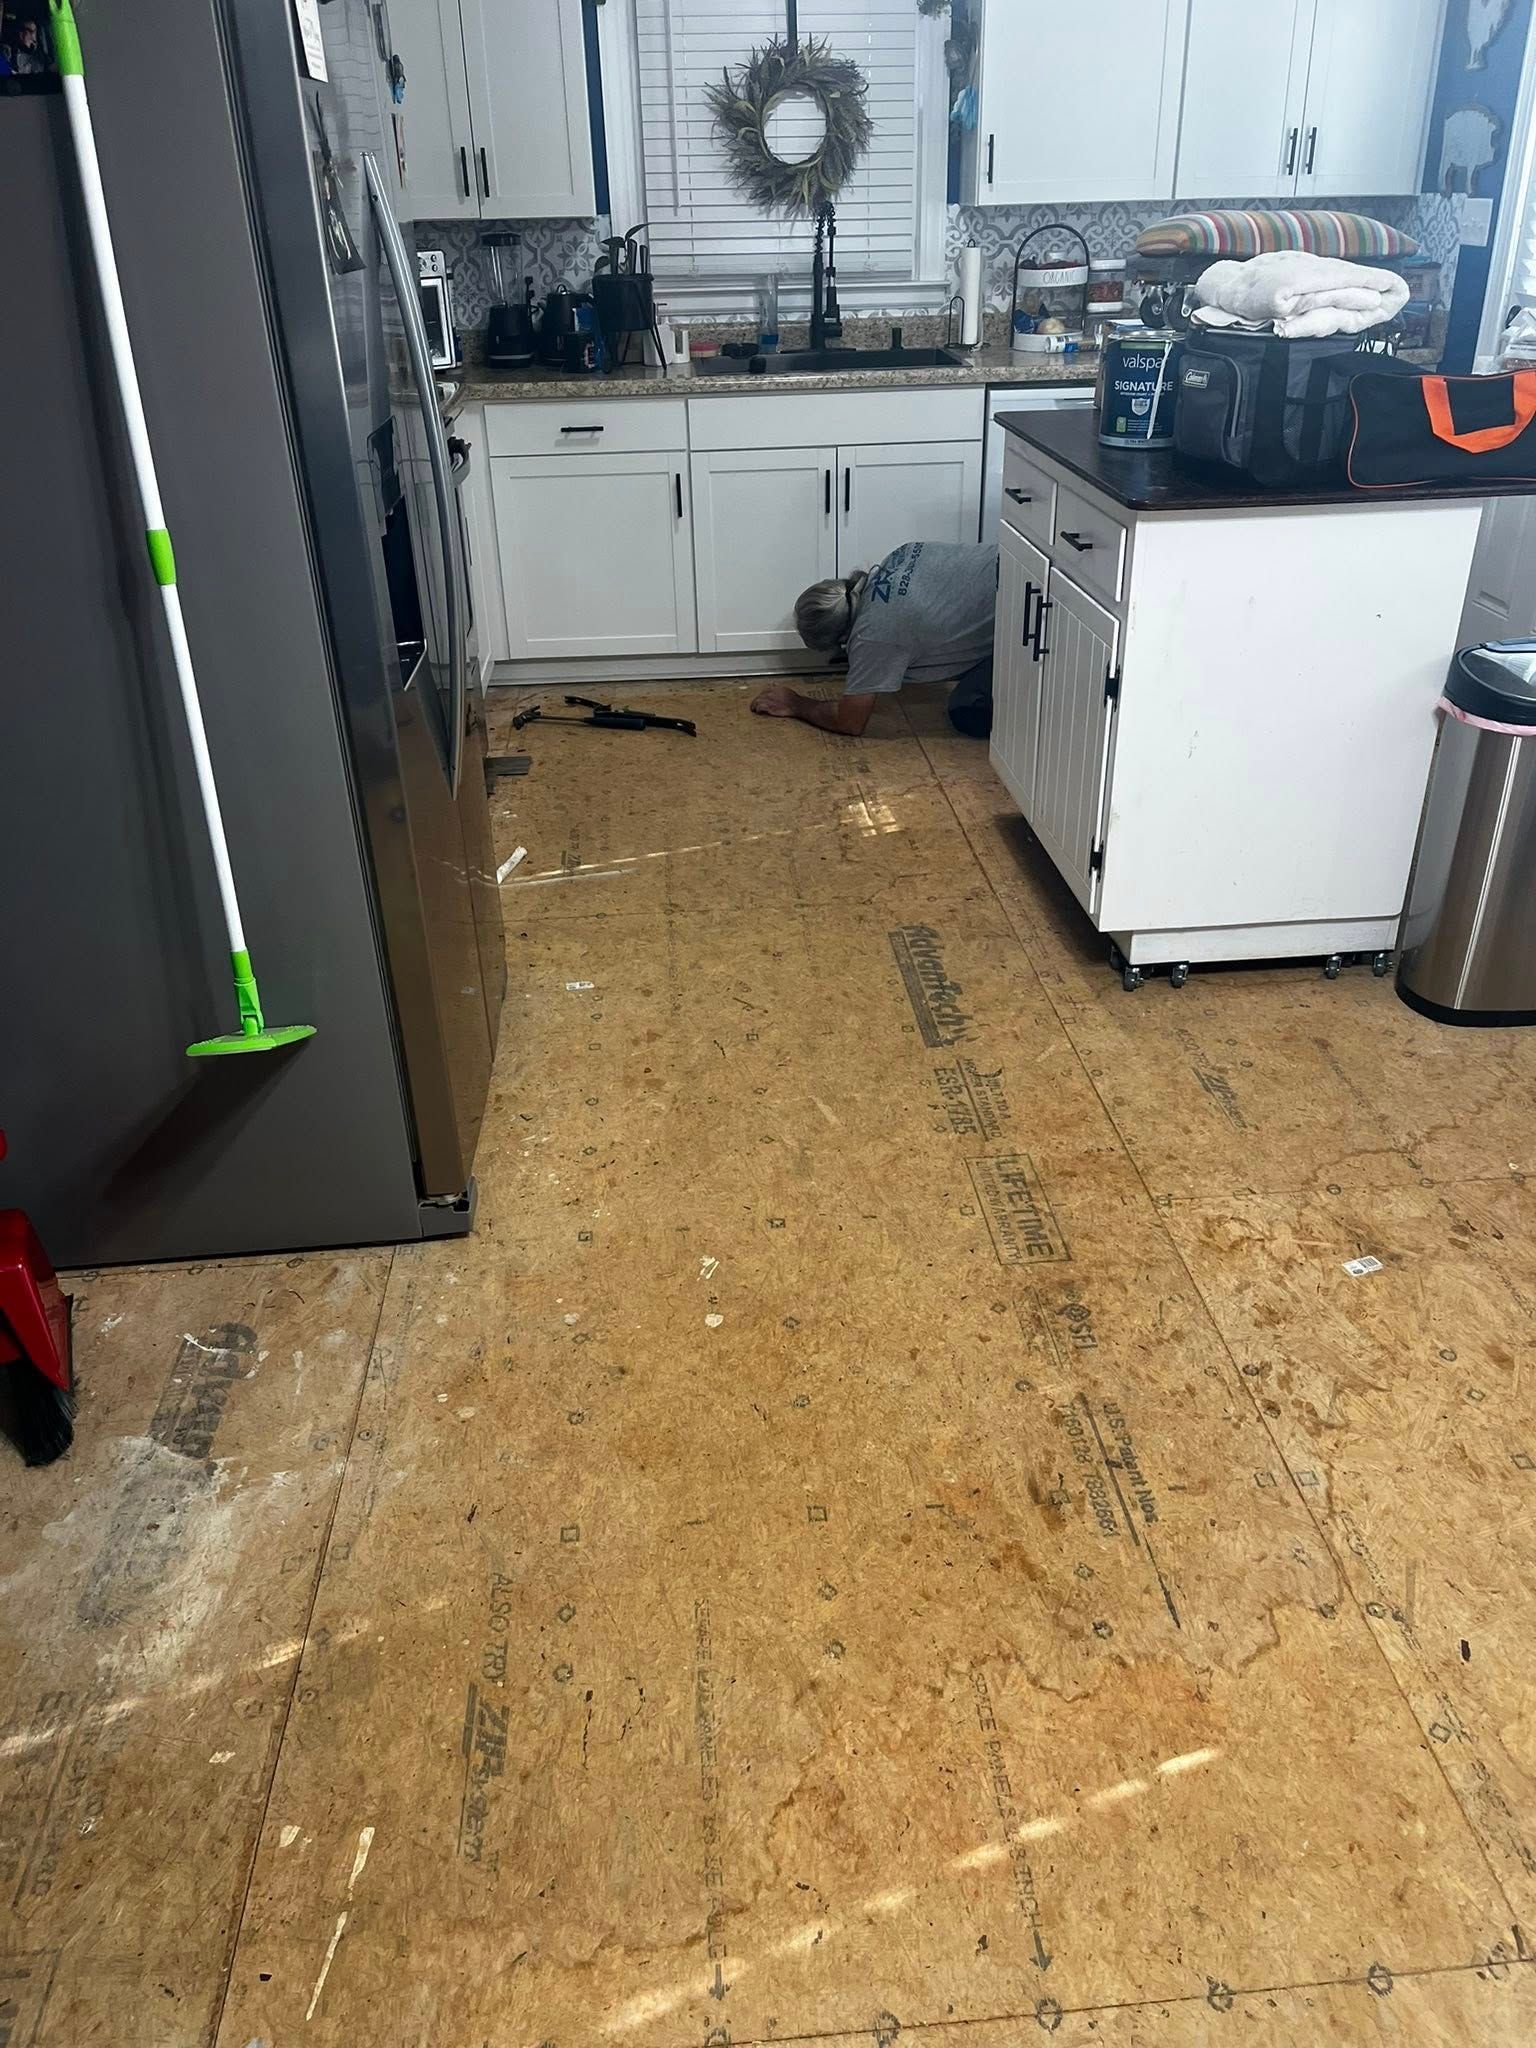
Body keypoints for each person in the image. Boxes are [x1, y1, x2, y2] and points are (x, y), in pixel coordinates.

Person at [751, 538, 998, 739]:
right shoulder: (897, 556)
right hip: (1015, 558)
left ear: (841, 639)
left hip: (1019, 622)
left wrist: (796, 704)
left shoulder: (872, 636)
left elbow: (850, 722)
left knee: (966, 711)